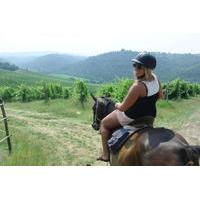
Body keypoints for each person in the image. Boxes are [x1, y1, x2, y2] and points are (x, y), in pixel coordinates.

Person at [97, 52, 164, 162]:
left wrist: (116, 103)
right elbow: (161, 96)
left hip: (131, 117)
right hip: (150, 116)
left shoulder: (137, 86)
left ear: (146, 69)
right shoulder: (156, 78)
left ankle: (105, 155)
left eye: (139, 66)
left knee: (104, 123)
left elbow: (122, 108)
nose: (135, 69)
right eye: (134, 65)